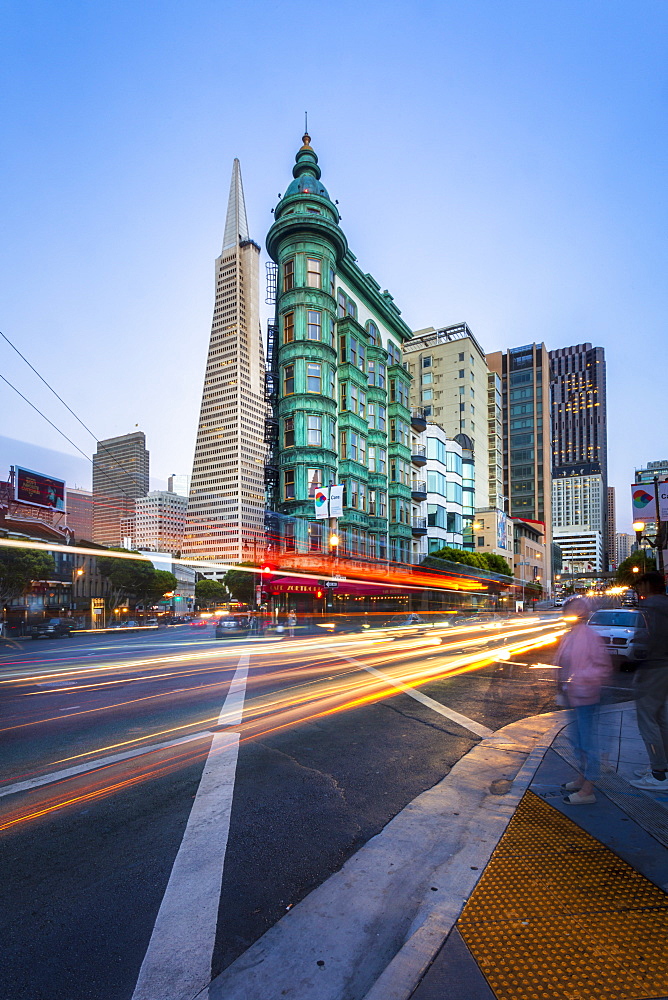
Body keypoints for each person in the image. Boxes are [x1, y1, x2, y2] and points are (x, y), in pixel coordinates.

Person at [555, 597, 612, 805]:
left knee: (587, 742)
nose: (571, 613)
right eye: (569, 609)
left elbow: (602, 667)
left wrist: (577, 681)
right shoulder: (569, 635)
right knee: (577, 741)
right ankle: (582, 777)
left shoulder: (589, 636)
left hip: (586, 696)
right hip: (573, 696)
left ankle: (588, 789)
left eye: (576, 609)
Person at [629, 571, 668, 791]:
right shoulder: (665, 603)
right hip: (664, 666)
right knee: (661, 718)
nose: (638, 590)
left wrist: (637, 660)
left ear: (648, 585)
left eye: (639, 585)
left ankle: (658, 774)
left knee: (647, 720)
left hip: (653, 667)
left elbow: (645, 639)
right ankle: (663, 766)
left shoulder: (650, 607)